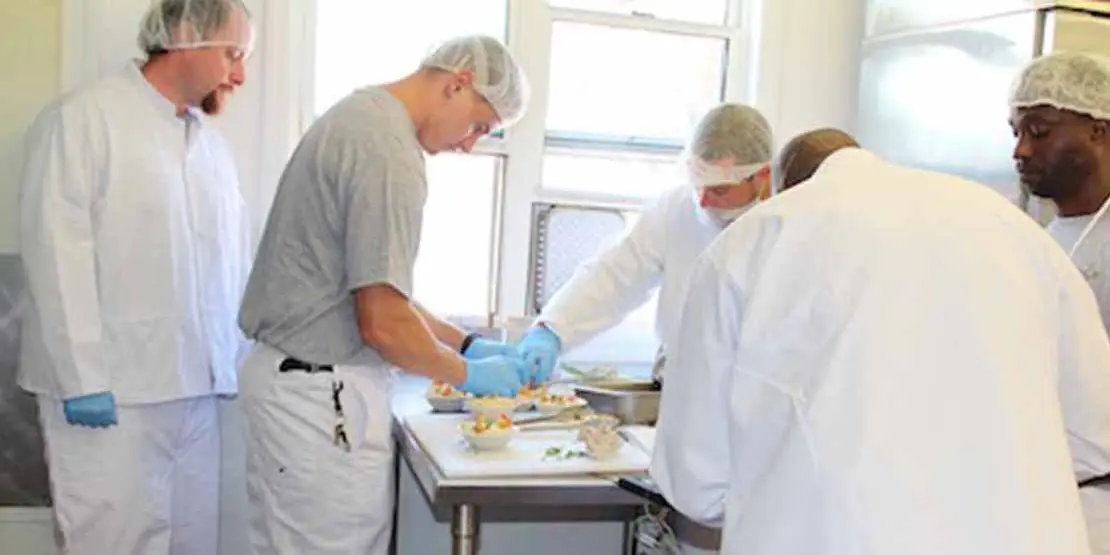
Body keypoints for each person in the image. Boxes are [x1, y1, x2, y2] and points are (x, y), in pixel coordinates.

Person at [652, 129, 1110, 555]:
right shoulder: (1016, 229)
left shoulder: (753, 241)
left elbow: (697, 485)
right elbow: (1094, 439)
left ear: (787, 186)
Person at [236, 35, 529, 554]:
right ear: (457, 84)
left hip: (294, 390)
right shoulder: (389, 153)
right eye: (480, 125)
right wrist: (470, 377)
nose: (471, 144)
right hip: (319, 403)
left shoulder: (361, 116)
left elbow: (377, 289)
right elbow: (383, 324)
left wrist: (465, 344)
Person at [17, 0, 254, 553]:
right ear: (185, 36)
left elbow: (230, 265)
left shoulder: (211, 147)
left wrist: (233, 362)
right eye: (232, 54)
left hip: (195, 393)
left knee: (194, 543)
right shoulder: (83, 119)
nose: (239, 74)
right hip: (111, 400)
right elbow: (57, 251)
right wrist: (82, 378)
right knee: (113, 544)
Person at [517, 104, 774, 384]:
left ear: (762, 177)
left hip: (752, 394)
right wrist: (552, 329)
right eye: (697, 185)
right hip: (680, 387)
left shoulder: (786, 228)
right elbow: (613, 276)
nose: (703, 201)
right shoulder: (676, 209)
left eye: (719, 190)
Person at [1010, 50, 1110, 555]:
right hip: (1051, 492)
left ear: (1099, 130)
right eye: (1016, 134)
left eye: (1040, 130)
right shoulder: (1041, 239)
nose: (1021, 151)